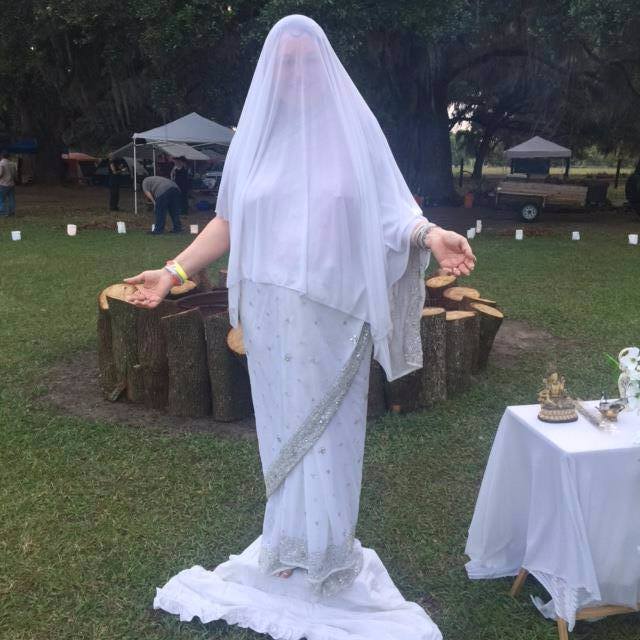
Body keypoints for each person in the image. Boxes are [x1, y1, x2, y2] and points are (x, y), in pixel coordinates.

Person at [125, 14, 475, 640]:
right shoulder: (255, 142)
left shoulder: (357, 137)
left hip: (332, 318)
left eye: (304, 62)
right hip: (267, 315)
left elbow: (394, 215)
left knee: (329, 434)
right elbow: (227, 223)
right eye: (282, 63)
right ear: (270, 73)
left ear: (324, 69)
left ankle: (329, 554)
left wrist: (432, 234)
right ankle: (286, 545)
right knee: (283, 431)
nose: (294, 73)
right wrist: (172, 270)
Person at [0, 151, 18, 216]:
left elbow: (0, 173)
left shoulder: (1, 163)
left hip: (3, 184)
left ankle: (2, 212)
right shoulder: (13, 164)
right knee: (11, 199)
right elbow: (15, 175)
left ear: (2, 156)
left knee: (1, 199)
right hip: (11, 184)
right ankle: (12, 212)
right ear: (8, 157)